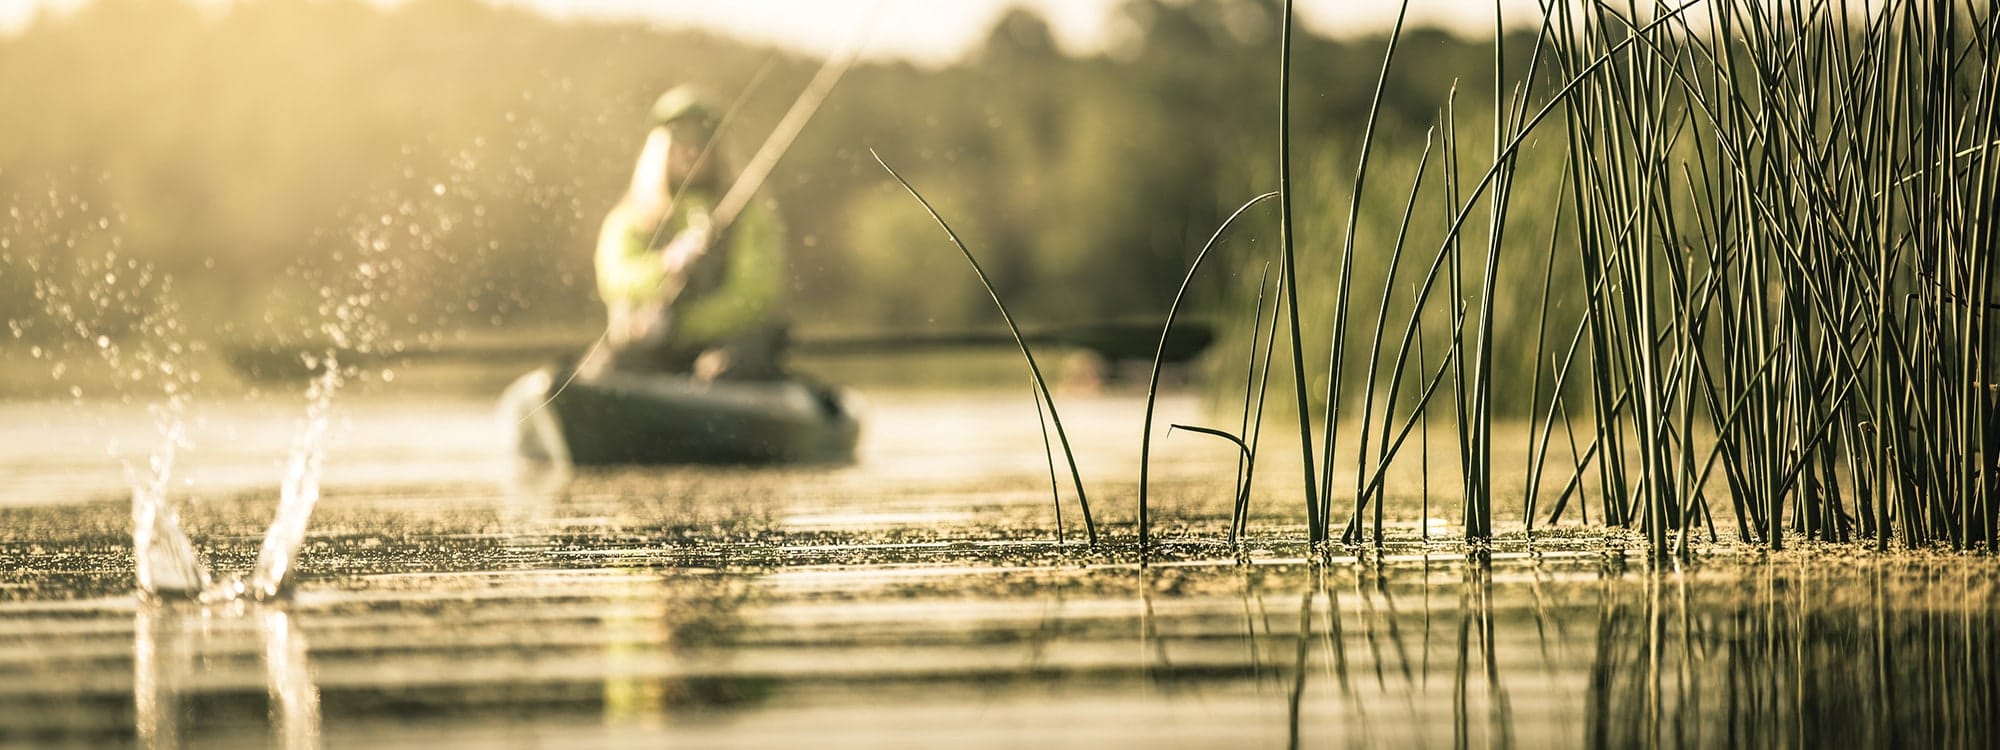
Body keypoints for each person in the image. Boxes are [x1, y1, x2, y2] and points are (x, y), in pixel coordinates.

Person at [585, 86, 787, 381]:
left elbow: (755, 294)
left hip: (726, 348)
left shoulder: (749, 217)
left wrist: (685, 326)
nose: (691, 149)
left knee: (730, 365)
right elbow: (615, 278)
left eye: (703, 139)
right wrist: (664, 265)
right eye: (679, 138)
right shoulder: (629, 218)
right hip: (647, 344)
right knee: (607, 366)